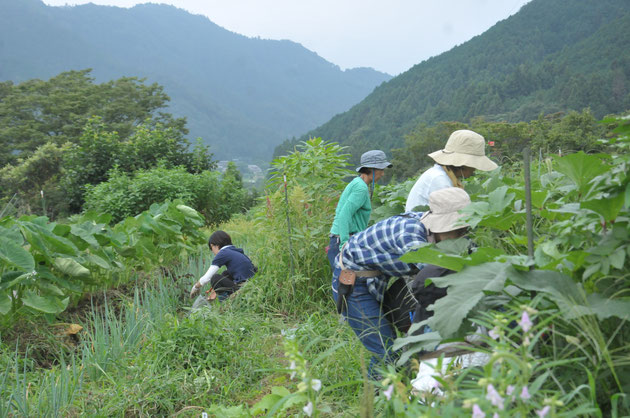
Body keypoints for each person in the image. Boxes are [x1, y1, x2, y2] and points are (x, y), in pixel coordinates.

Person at [332, 187, 472, 379]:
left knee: (394, 339)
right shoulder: (411, 235)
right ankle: (376, 398)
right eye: (456, 231)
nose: (459, 237)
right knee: (385, 349)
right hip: (354, 283)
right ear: (440, 226)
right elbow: (435, 271)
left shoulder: (430, 229)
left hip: (377, 279)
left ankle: (393, 386)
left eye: (463, 231)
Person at [327, 150, 393, 270]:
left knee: (347, 284)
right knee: (346, 284)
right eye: (381, 169)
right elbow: (344, 215)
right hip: (343, 240)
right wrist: (344, 245)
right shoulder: (361, 189)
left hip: (341, 238)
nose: (383, 174)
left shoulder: (357, 183)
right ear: (371, 169)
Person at [405, 129, 497, 212]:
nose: (474, 169)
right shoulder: (440, 180)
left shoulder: (443, 174)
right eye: (473, 165)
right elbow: (449, 216)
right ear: (463, 164)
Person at [190, 230, 257, 299]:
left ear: (214, 245)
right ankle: (224, 297)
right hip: (251, 283)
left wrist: (195, 287)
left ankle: (225, 301)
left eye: (211, 248)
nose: (212, 252)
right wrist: (214, 289)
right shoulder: (235, 251)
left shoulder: (223, 253)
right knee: (225, 273)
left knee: (215, 278)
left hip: (243, 286)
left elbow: (207, 278)